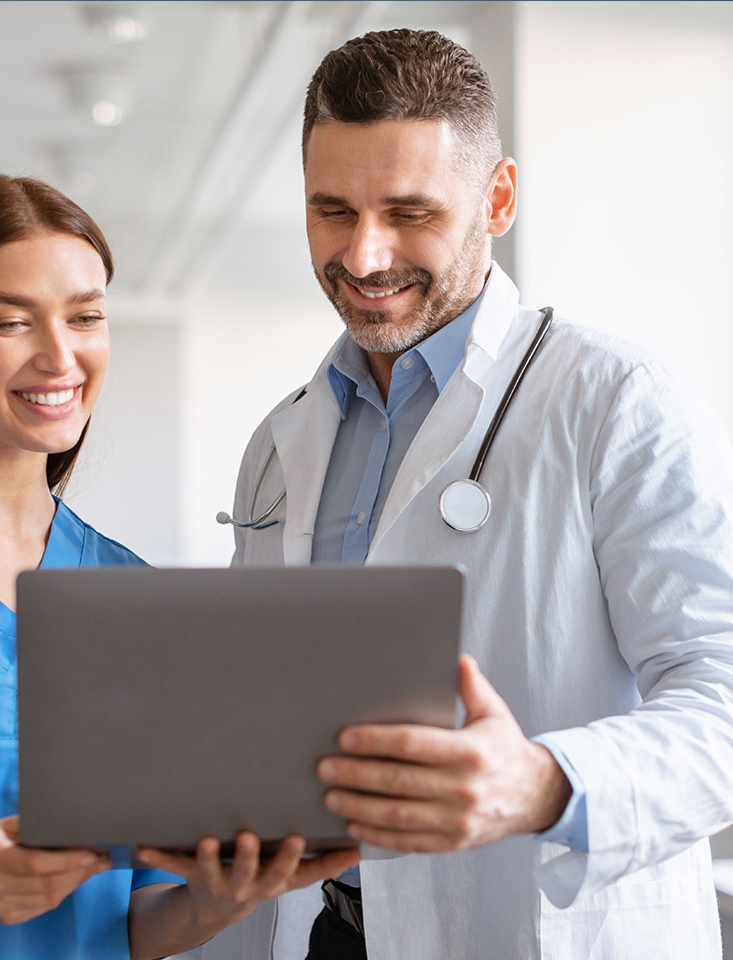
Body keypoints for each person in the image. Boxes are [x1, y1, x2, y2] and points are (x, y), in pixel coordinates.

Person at [206, 28, 733, 960]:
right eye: (332, 211)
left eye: (410, 212)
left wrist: (542, 783)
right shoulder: (278, 444)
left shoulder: (615, 402)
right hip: (326, 932)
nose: (365, 256)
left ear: (498, 198)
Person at [0, 174, 359, 959]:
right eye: (12, 320)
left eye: (85, 317)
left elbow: (130, 922)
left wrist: (214, 903)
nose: (60, 355)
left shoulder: (129, 594)